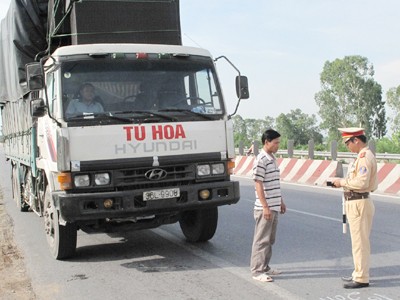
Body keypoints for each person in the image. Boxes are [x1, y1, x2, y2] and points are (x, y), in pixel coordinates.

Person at [332, 127, 377, 289]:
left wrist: (342, 182)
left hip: (359, 202)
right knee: (358, 242)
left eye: (347, 143)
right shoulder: (361, 157)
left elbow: (361, 183)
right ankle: (358, 272)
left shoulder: (364, 157)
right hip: (356, 202)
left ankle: (361, 277)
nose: (347, 147)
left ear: (356, 140)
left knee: (360, 243)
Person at [250, 129, 286, 282]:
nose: (278, 145)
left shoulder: (272, 158)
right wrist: (265, 206)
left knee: (270, 239)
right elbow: (258, 183)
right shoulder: (261, 160)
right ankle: (257, 271)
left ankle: (265, 267)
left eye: (279, 142)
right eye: (276, 142)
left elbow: (274, 184)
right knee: (261, 240)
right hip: (265, 208)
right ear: (267, 142)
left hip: (274, 205)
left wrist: (280, 201)